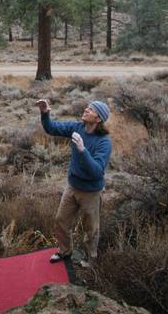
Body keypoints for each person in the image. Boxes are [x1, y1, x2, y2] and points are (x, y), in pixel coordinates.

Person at [36, 98, 111, 267]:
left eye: (91, 110)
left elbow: (97, 171)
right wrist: (45, 113)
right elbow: (52, 128)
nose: (86, 109)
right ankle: (65, 251)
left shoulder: (104, 141)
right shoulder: (77, 128)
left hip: (90, 192)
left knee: (91, 229)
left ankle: (91, 260)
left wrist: (83, 150)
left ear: (98, 119)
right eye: (87, 107)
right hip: (72, 187)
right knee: (61, 221)